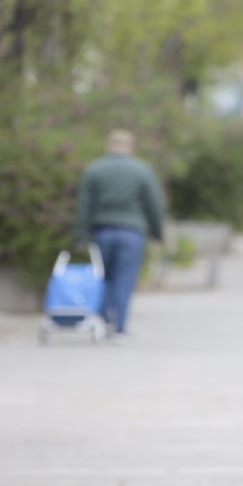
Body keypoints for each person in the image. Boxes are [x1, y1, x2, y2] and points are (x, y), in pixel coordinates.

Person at [73, 130, 166, 343]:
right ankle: (120, 328)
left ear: (109, 146)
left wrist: (79, 235)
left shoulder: (94, 169)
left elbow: (84, 206)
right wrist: (157, 233)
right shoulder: (143, 170)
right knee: (125, 279)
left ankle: (103, 321)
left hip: (102, 230)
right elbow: (154, 206)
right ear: (131, 147)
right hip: (132, 232)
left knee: (104, 277)